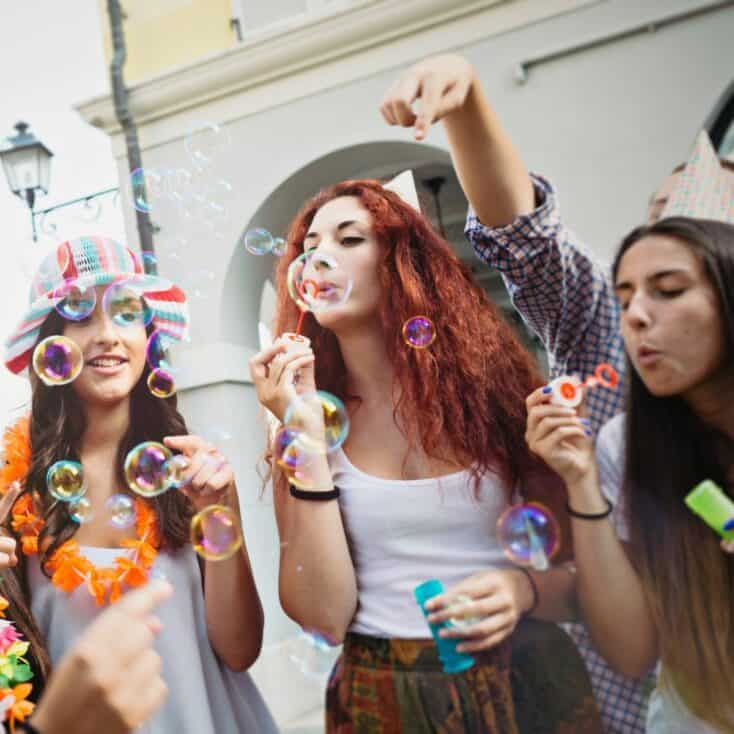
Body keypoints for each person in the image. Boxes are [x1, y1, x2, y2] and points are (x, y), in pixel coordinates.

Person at [378, 54, 734, 733]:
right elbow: (528, 242)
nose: (638, 315)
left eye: (672, 283)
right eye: (632, 290)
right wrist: (467, 94)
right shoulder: (620, 424)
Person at [250, 177, 603, 732]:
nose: (319, 257)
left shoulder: (493, 398)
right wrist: (306, 437)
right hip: (383, 697)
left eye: (349, 239)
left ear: (402, 265)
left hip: (525, 680)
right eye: (309, 246)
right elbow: (323, 615)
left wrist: (523, 588)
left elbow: (589, 579)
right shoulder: (300, 424)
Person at [2, 236, 276, 734]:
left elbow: (239, 651)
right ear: (50, 344)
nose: (107, 334)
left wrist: (222, 510)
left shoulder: (189, 473)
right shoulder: (14, 494)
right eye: (82, 316)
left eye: (127, 313)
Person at [525, 217, 734, 733]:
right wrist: (581, 479)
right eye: (623, 301)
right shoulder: (625, 444)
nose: (636, 316)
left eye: (668, 291)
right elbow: (631, 651)